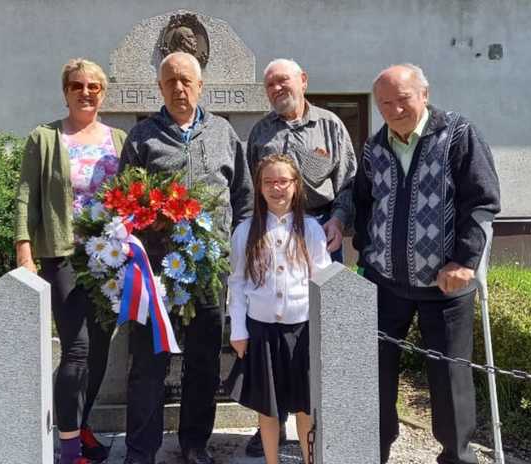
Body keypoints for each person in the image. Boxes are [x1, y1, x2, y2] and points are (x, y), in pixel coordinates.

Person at [353, 64, 501, 464]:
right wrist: (366, 252)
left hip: (445, 285)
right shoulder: (374, 147)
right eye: (385, 103)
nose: (394, 110)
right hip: (386, 283)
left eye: (403, 99)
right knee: (376, 374)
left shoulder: (458, 134)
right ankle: (373, 453)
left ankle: (457, 457)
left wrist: (464, 261)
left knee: (449, 379)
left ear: (424, 94)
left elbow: (482, 201)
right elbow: (363, 203)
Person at [119, 51, 253, 464]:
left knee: (203, 362)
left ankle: (195, 444)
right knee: (148, 363)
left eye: (186, 81)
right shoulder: (142, 137)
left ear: (200, 85)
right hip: (156, 274)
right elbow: (124, 202)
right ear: (160, 87)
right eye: (170, 81)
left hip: (208, 271)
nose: (179, 88)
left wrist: (235, 254)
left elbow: (244, 199)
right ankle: (141, 450)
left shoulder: (224, 133)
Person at [14, 58, 127, 464]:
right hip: (63, 256)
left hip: (110, 259)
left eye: (93, 86)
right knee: (77, 349)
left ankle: (82, 425)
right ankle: (69, 449)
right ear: (65, 92)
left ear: (103, 93)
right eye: (77, 86)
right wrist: (24, 249)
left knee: (100, 351)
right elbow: (25, 196)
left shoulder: (119, 140)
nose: (85, 92)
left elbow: (131, 196)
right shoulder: (44, 138)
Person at [244, 57, 357, 456]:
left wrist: (339, 220)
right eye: (270, 84)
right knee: (272, 330)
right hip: (271, 233)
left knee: (315, 334)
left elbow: (349, 182)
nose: (277, 88)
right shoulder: (260, 132)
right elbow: (250, 189)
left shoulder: (330, 125)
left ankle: (318, 421)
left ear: (303, 81)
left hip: (320, 231)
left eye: (284, 80)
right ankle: (270, 425)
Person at [227, 154, 331, 464]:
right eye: (269, 182)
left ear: (296, 185)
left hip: (302, 331)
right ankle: (272, 460)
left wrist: (324, 332)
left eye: (283, 181)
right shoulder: (245, 231)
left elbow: (323, 281)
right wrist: (238, 330)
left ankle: (309, 459)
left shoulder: (311, 229)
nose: (276, 188)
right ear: (259, 187)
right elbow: (237, 283)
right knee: (268, 408)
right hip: (262, 332)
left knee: (304, 407)